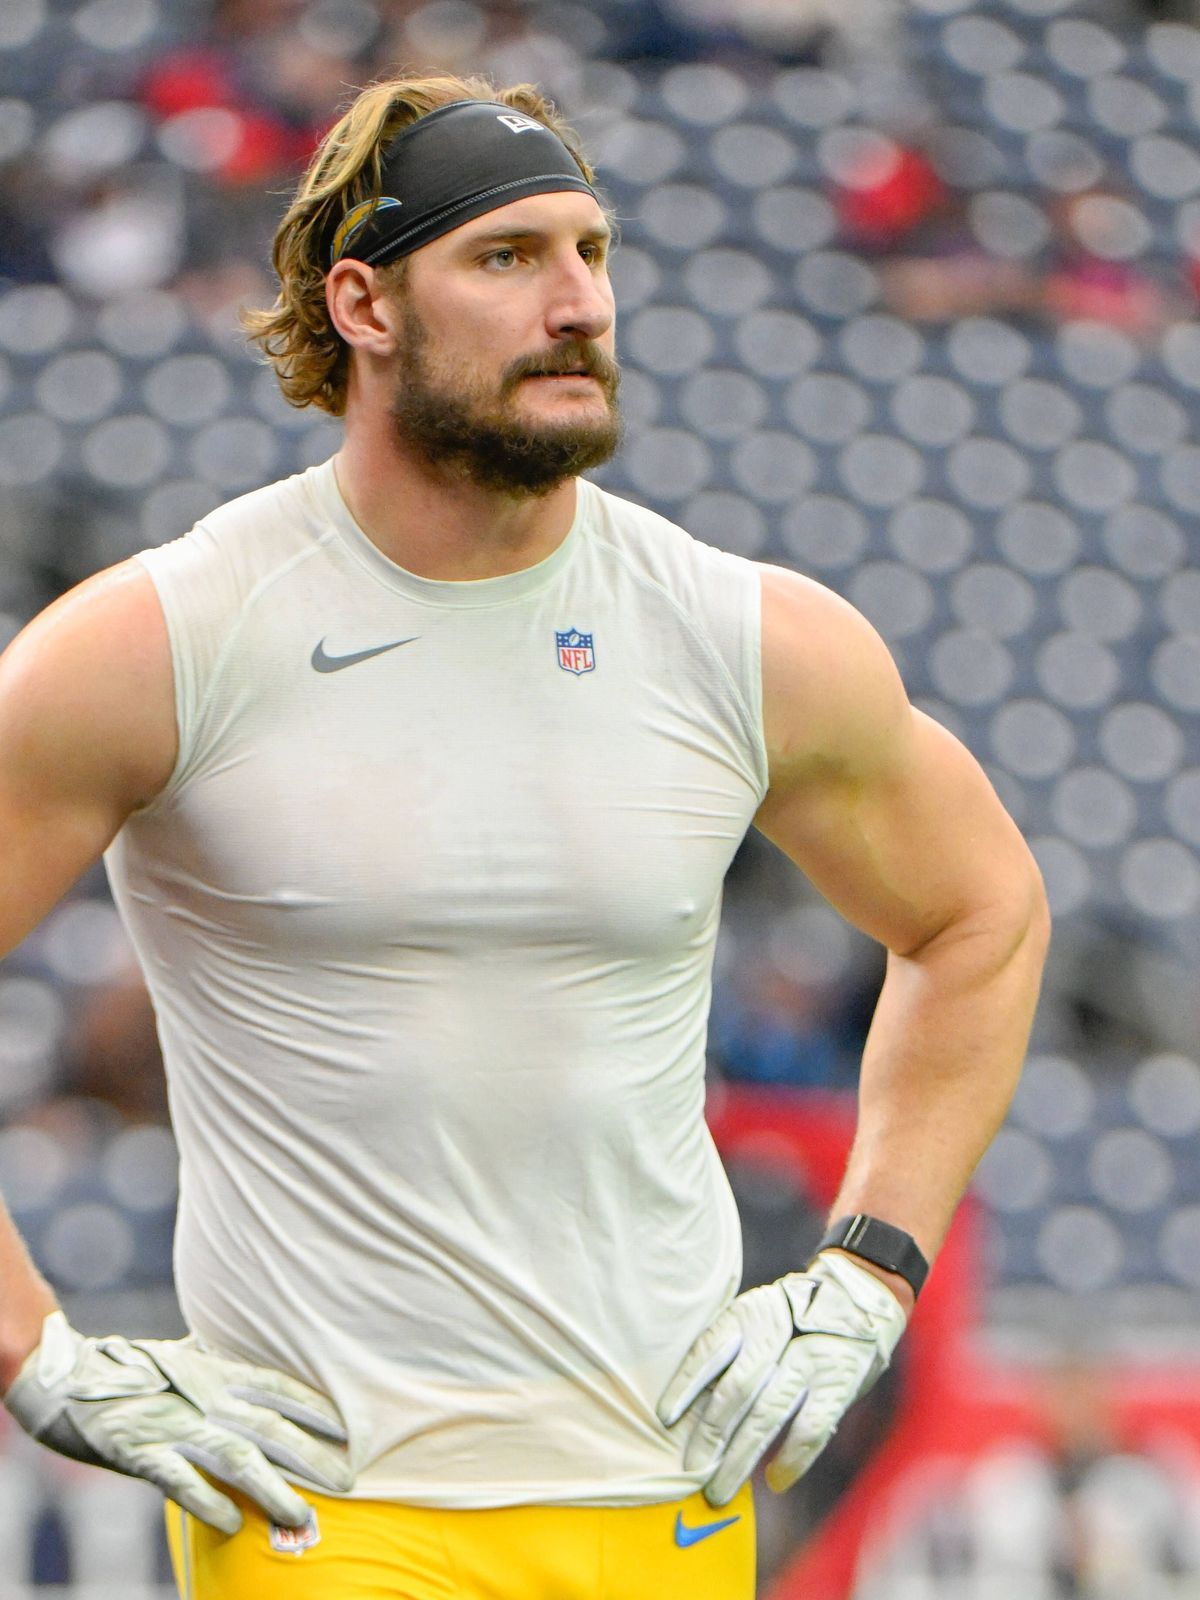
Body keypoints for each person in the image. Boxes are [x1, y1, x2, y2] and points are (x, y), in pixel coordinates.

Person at [0, 72, 1049, 1600]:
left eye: (594, 253)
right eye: (506, 259)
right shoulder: (167, 640)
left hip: (664, 1499)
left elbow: (983, 919)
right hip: (326, 1512)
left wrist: (868, 1276)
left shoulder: (739, 637)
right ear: (362, 303)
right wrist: (38, 1352)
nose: (577, 304)